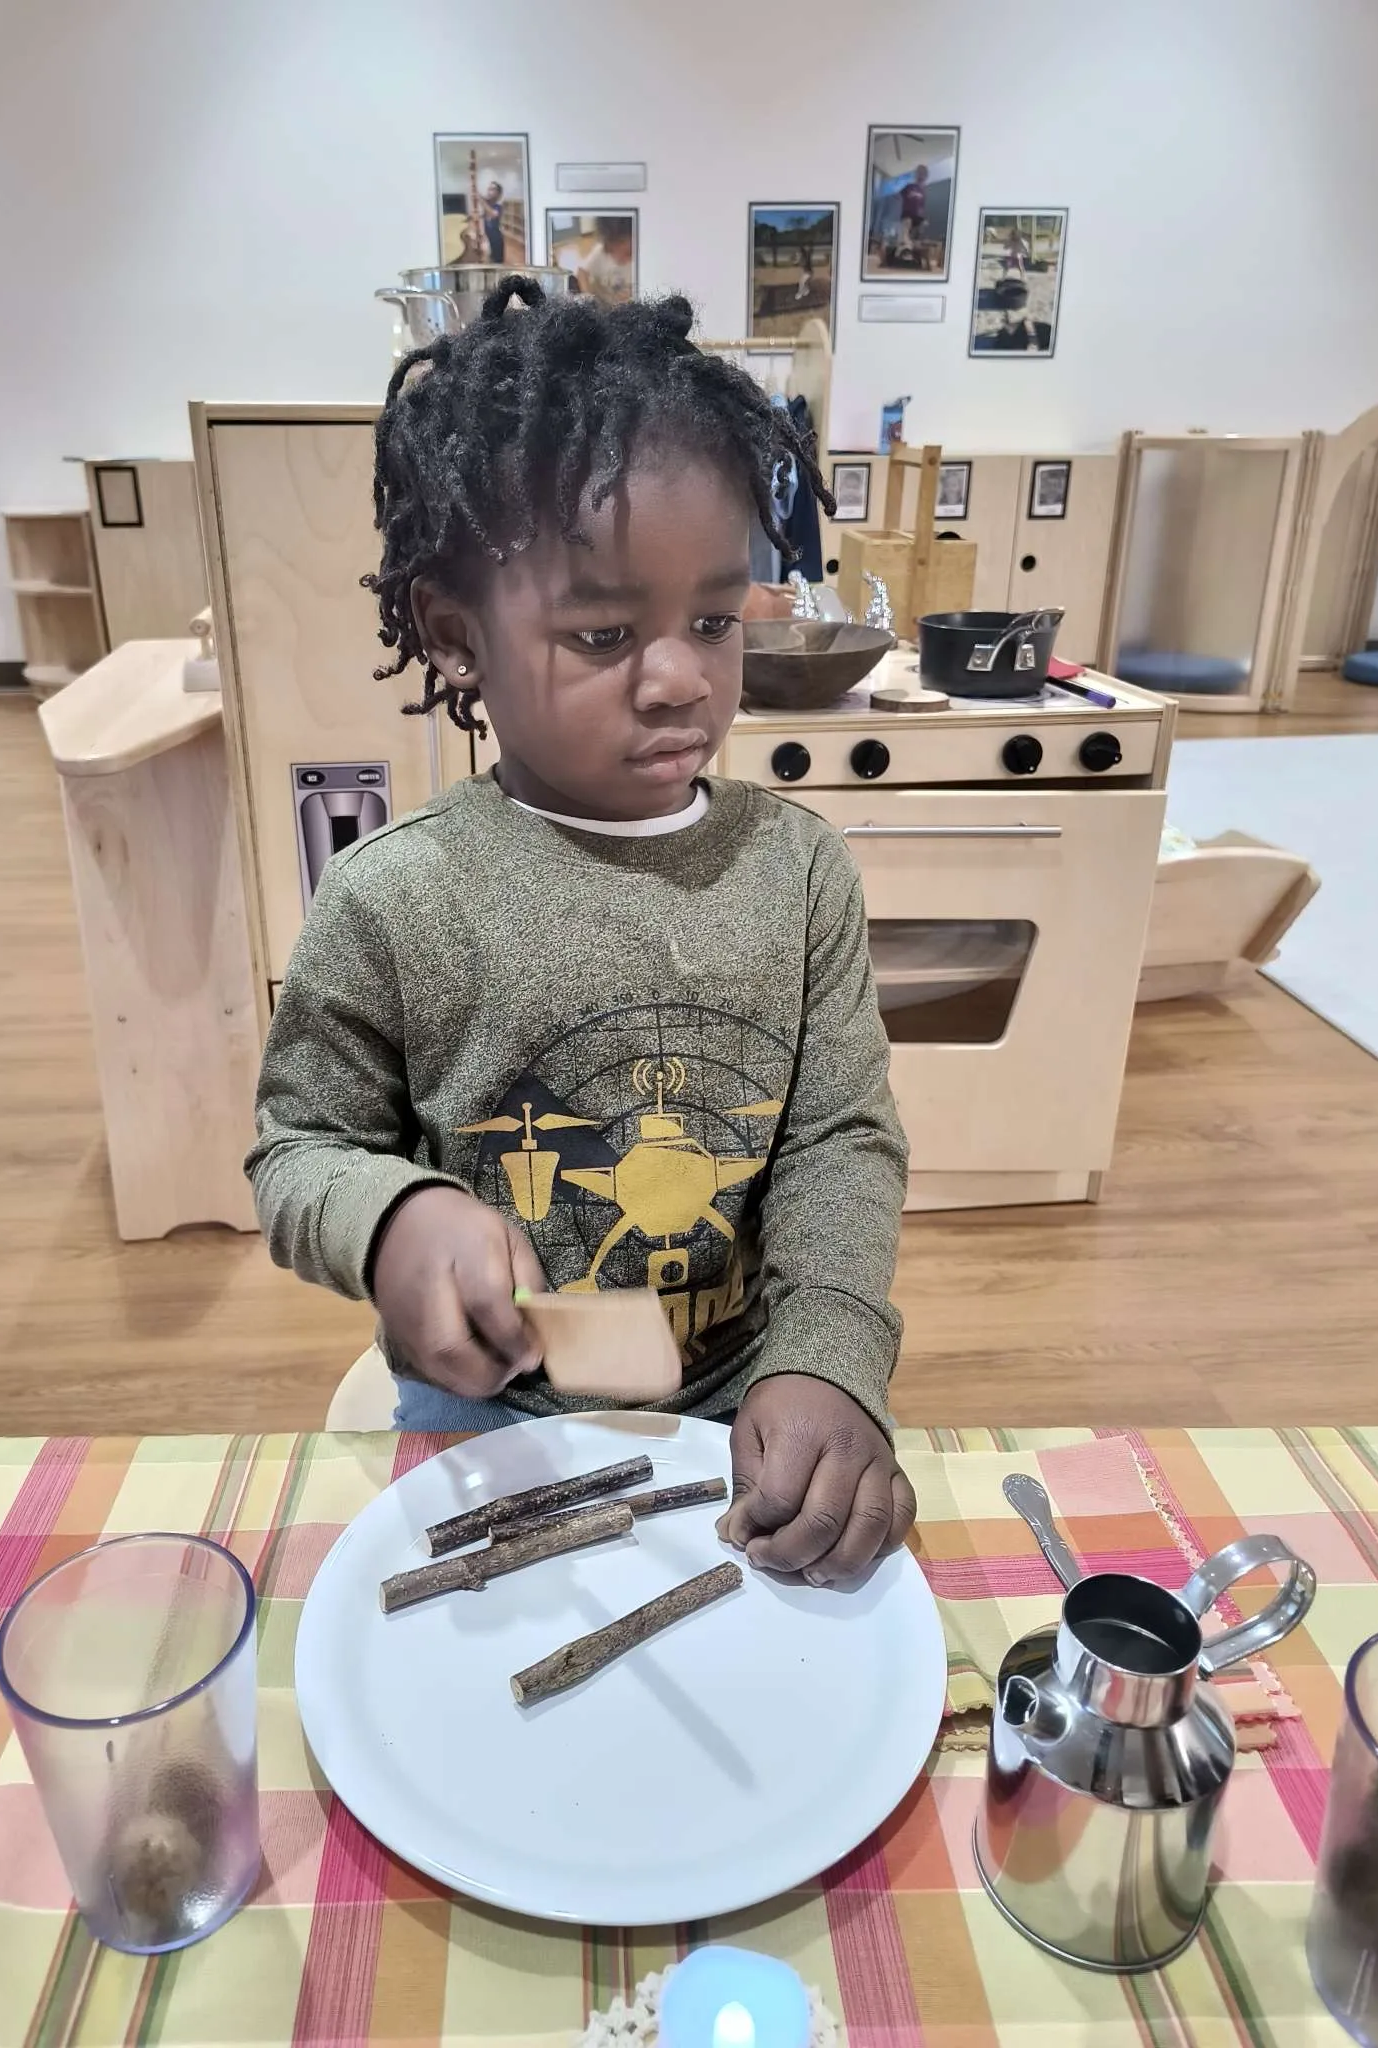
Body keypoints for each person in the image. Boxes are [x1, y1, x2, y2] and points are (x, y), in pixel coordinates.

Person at [250, 278, 916, 1585]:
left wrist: (832, 1349)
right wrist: (392, 1220)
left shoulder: (797, 874)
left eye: (716, 621)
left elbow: (844, 1140)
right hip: (483, 1424)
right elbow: (299, 1150)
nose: (680, 676)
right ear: (457, 636)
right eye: (605, 633)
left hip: (737, 1418)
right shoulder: (397, 898)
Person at [899, 163, 930, 254]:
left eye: (923, 175)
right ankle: (906, 246)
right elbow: (899, 196)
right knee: (907, 224)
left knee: (918, 228)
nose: (921, 177)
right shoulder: (909, 187)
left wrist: (923, 219)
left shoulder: (923, 191)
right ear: (917, 175)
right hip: (907, 215)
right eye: (920, 174)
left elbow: (922, 206)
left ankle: (912, 244)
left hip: (917, 217)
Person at [481, 179, 506, 264]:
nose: (489, 191)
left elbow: (494, 214)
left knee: (497, 264)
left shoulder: (498, 206)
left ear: (498, 193)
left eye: (492, 189)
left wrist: (482, 201)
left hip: (496, 241)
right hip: (488, 240)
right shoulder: (488, 205)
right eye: (489, 189)